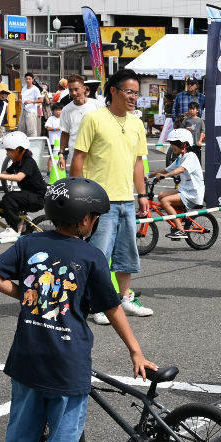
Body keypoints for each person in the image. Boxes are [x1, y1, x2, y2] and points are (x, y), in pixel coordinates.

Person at [0, 177, 156, 442]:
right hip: (67, 359)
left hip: (26, 356)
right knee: (64, 429)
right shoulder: (90, 256)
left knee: (22, 426)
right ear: (86, 219)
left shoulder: (29, 243)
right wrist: (135, 349)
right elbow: (112, 306)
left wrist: (25, 295)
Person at [70, 69, 154, 322]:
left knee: (126, 253)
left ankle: (125, 297)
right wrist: (78, 196)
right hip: (97, 201)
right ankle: (97, 304)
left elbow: (138, 163)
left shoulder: (136, 123)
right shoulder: (94, 119)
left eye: (136, 93)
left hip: (126, 199)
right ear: (113, 91)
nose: (133, 97)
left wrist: (142, 195)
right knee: (99, 256)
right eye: (129, 92)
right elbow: (79, 158)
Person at [151, 128, 205, 240]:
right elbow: (165, 170)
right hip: (185, 190)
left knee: (166, 201)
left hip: (193, 193)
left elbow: (180, 170)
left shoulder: (191, 156)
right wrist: (147, 174)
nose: (172, 146)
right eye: (171, 144)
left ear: (184, 144)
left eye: (174, 144)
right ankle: (179, 217)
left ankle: (180, 229)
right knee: (161, 195)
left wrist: (165, 176)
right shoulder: (180, 158)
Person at [57, 75, 104, 175]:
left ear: (84, 88)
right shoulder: (66, 110)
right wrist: (61, 155)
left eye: (76, 89)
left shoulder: (97, 105)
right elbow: (65, 133)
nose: (74, 93)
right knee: (78, 186)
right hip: (76, 155)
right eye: (71, 90)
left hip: (96, 153)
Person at [19, 73, 45, 138]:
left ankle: (32, 145)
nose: (28, 80)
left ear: (32, 80)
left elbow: (41, 100)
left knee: (31, 130)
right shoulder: (24, 88)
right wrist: (21, 101)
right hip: (23, 110)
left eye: (29, 79)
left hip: (31, 111)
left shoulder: (35, 89)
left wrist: (31, 102)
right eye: (26, 79)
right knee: (21, 130)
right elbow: (23, 99)